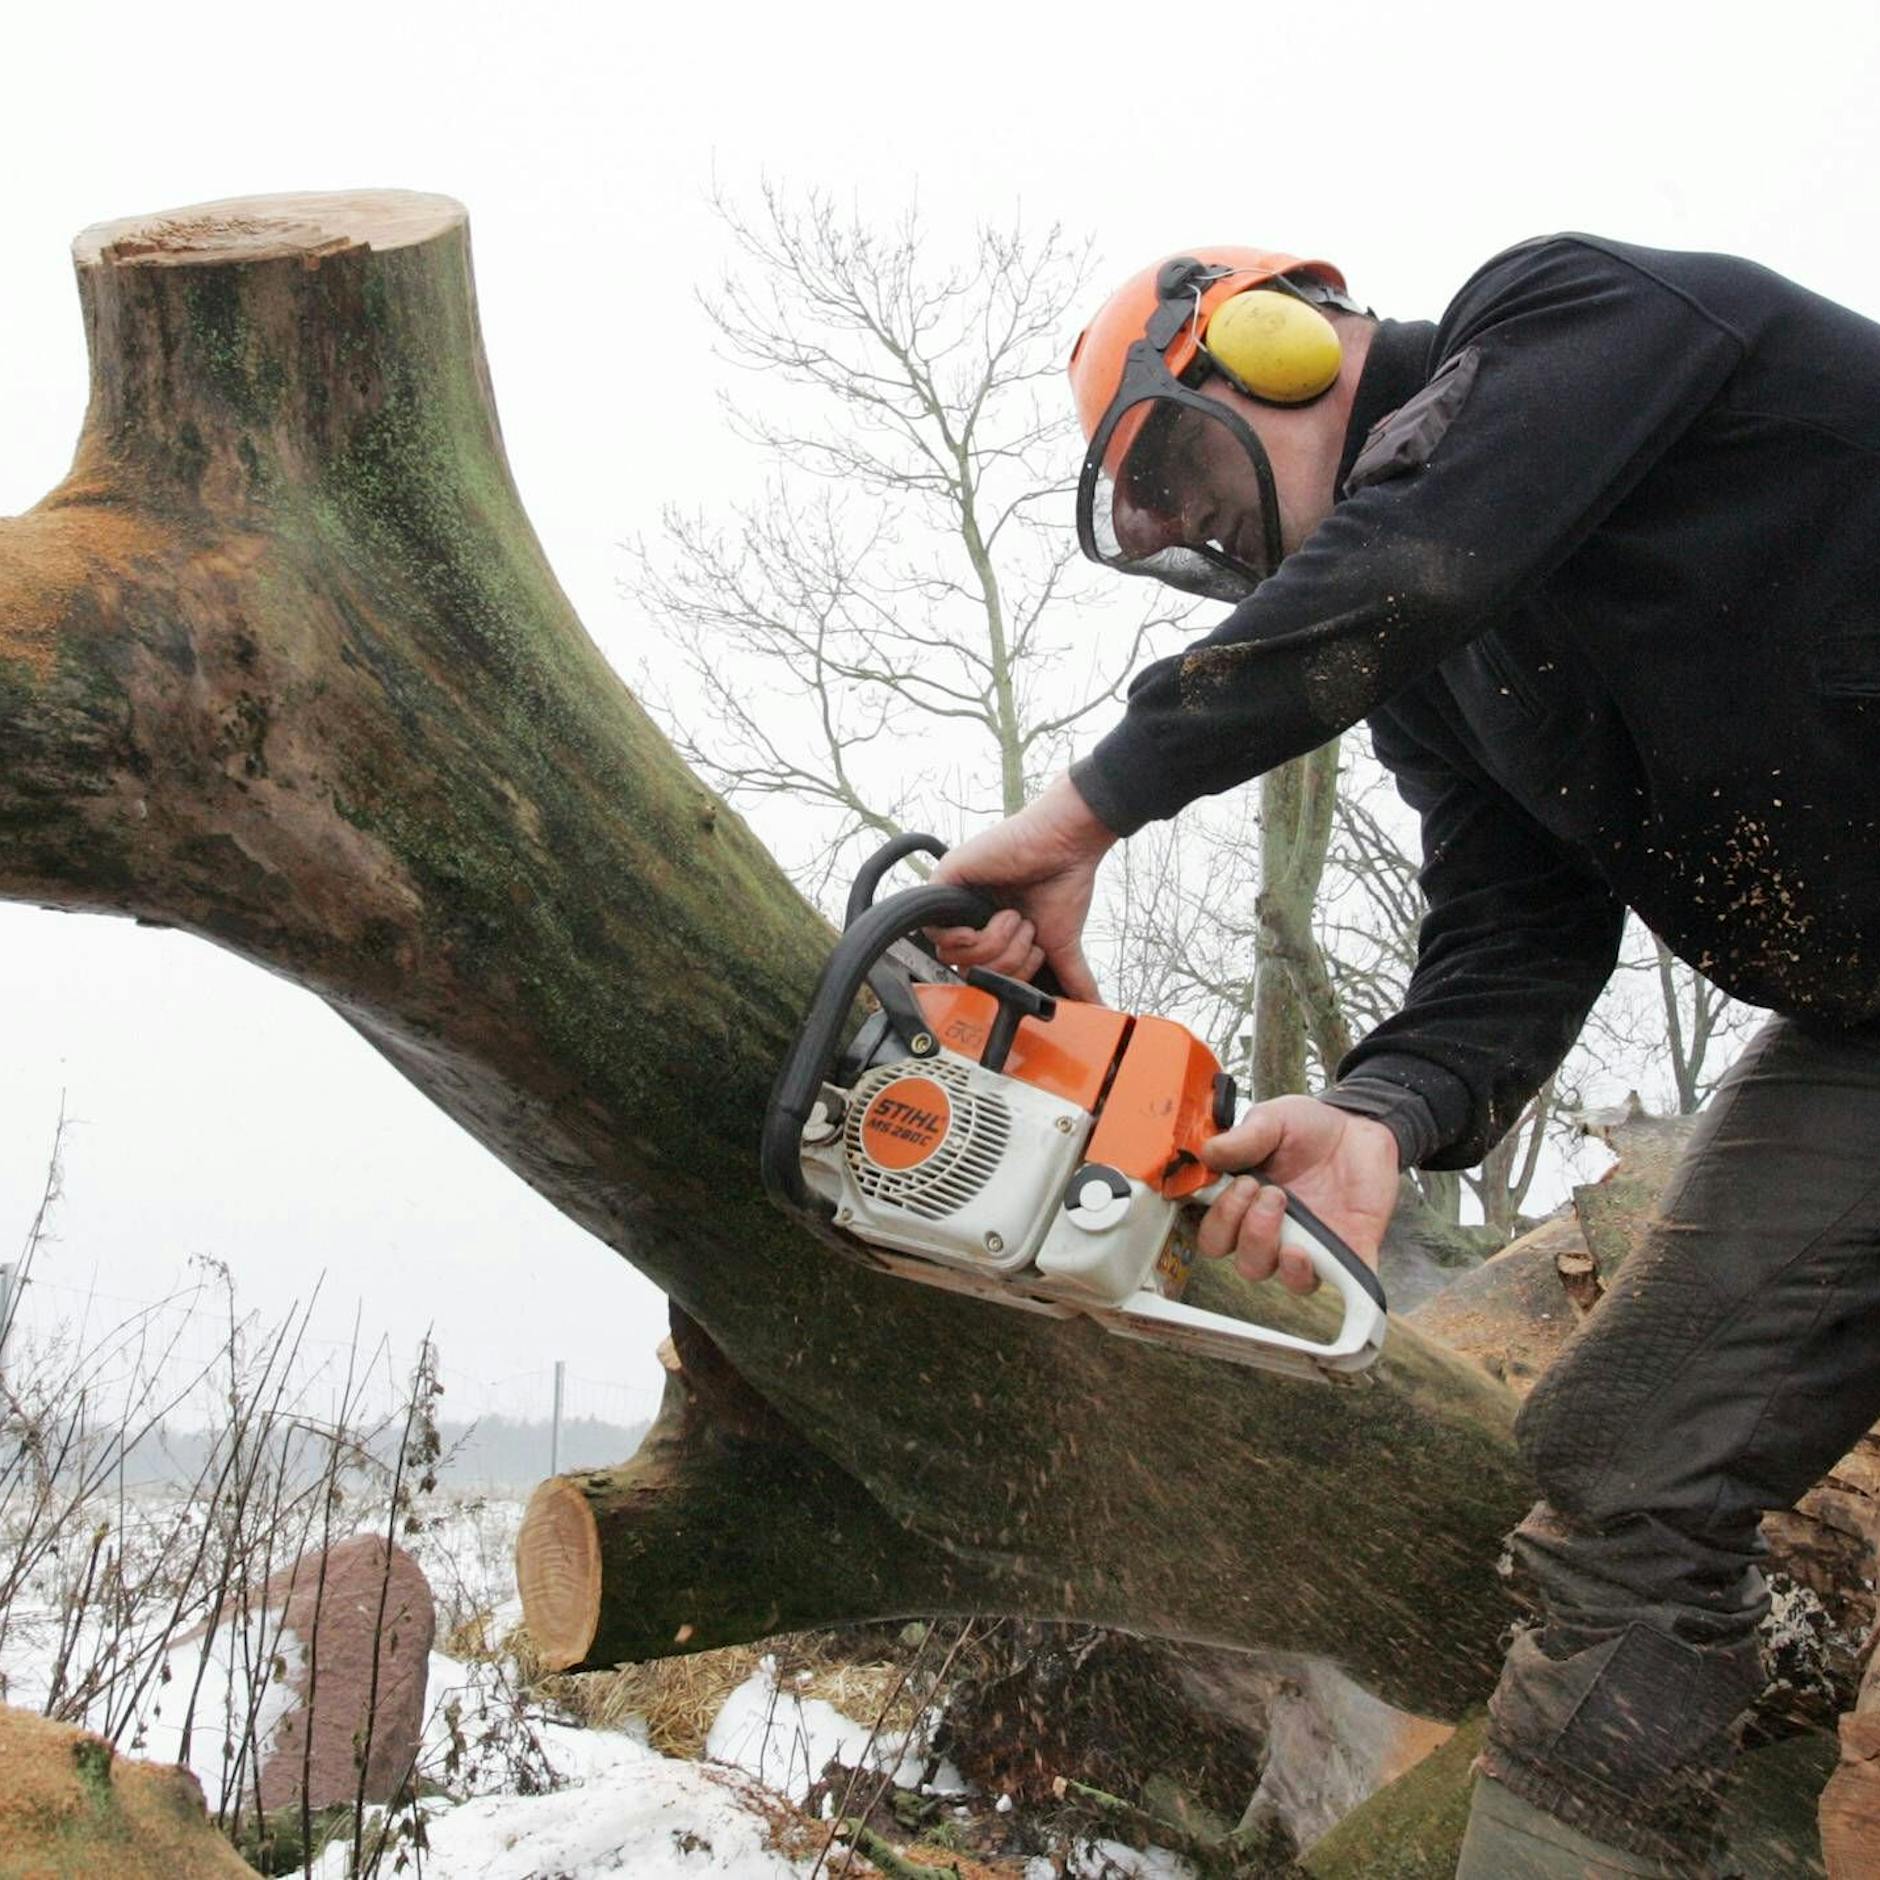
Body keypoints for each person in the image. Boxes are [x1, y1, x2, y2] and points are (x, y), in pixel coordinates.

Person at [929, 236, 1880, 1875]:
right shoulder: (1438, 678)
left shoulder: (1575, 325)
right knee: (1626, 1460)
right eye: (1140, 509)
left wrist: (1093, 805)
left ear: (1288, 340)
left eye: (1172, 457)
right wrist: (1380, 1108)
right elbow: (1515, 940)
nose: (1180, 523)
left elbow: (1423, 554)